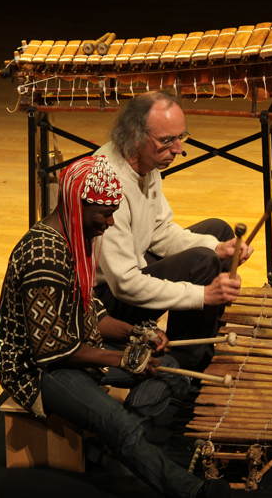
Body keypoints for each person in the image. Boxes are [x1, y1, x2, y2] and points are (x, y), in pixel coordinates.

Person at [0, 156, 229, 498]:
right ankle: (192, 491)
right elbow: (52, 351)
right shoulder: (43, 258)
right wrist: (126, 360)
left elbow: (95, 315)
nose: (110, 221)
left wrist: (140, 335)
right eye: (104, 213)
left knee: (171, 369)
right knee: (121, 425)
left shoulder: (77, 238)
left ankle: (111, 444)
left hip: (73, 349)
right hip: (38, 370)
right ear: (76, 205)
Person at [93, 91, 252, 372]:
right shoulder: (109, 183)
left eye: (181, 137)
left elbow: (159, 231)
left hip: (134, 267)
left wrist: (216, 247)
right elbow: (124, 283)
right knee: (202, 262)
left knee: (218, 232)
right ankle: (186, 367)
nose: (179, 149)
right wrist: (201, 295)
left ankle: (205, 342)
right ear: (135, 136)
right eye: (168, 140)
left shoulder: (146, 161)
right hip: (104, 300)